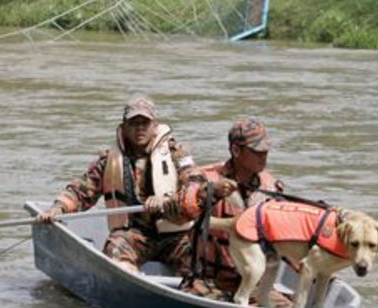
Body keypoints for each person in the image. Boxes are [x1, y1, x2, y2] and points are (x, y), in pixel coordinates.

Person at [37, 96, 196, 273]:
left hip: (174, 235)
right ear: (124, 127)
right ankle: (131, 288)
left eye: (145, 123)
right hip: (133, 234)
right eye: (134, 123)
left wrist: (167, 200)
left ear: (155, 126)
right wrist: (59, 208)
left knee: (199, 257)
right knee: (115, 251)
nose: (140, 128)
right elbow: (82, 190)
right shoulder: (109, 160)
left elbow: (195, 187)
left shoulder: (177, 154)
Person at [166, 117, 285, 302]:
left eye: (266, 150)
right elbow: (178, 214)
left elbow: (284, 239)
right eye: (257, 151)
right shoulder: (205, 178)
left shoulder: (272, 187)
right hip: (208, 282)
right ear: (236, 150)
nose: (264, 155)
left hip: (252, 283)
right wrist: (210, 194)